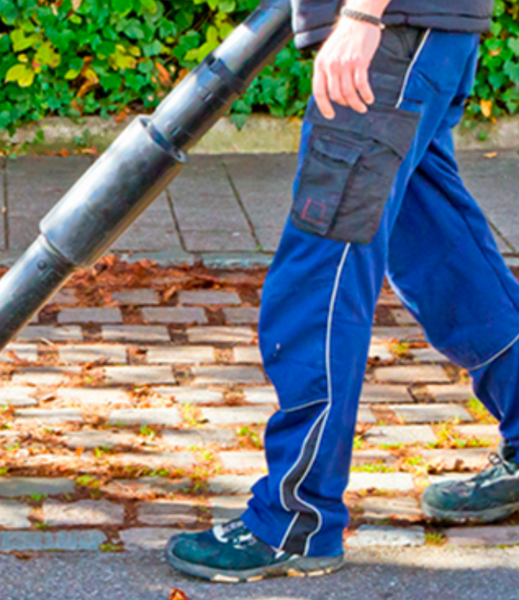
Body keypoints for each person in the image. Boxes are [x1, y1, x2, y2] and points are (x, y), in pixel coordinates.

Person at [166, 0, 504, 583]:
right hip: (426, 35)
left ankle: (295, 521)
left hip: (393, 35)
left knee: (320, 279)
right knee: (446, 260)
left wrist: (363, 15)